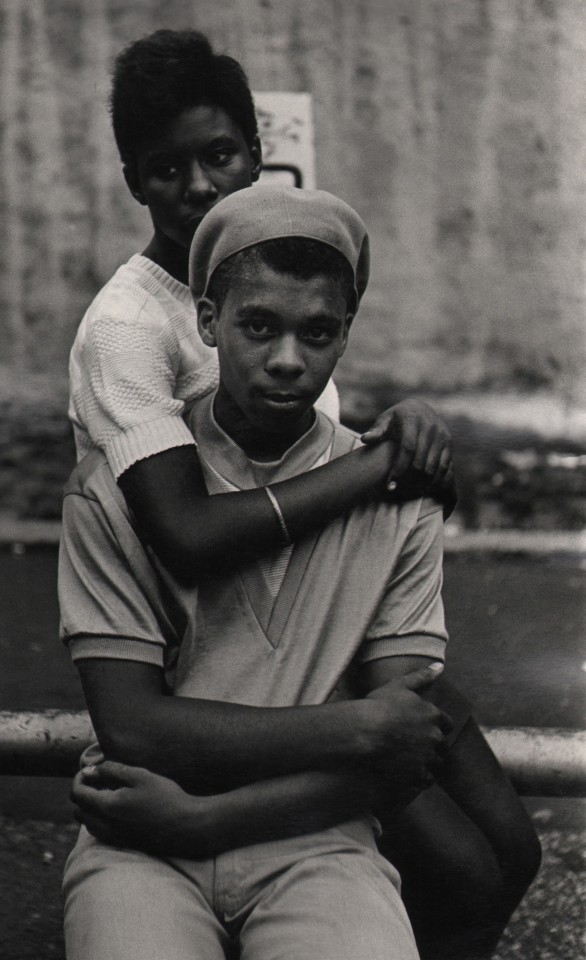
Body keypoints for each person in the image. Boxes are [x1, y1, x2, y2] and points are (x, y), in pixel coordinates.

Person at [60, 186, 539, 960]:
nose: (287, 360)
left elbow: (402, 755)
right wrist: (354, 728)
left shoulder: (401, 500)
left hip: (321, 840)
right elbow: (134, 729)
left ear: (345, 333)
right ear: (208, 322)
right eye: (258, 326)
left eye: (316, 332)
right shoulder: (113, 493)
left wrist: (208, 820)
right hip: (139, 837)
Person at [68, 29, 456, 584]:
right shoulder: (126, 325)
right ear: (135, 182)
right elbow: (187, 536)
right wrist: (381, 462)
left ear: (255, 155)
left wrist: (407, 429)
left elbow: (305, 460)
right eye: (167, 169)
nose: (199, 187)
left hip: (293, 586)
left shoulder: (280, 283)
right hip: (170, 615)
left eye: (219, 156)